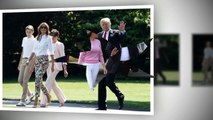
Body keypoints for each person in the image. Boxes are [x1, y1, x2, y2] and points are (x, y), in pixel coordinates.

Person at [97, 18, 152, 110]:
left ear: (110, 24)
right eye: (103, 24)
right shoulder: (99, 35)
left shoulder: (116, 33)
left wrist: (122, 30)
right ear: (101, 25)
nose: (105, 26)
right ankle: (102, 106)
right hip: (103, 61)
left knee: (109, 81)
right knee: (102, 83)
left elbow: (122, 36)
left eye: (107, 24)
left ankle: (120, 95)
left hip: (114, 60)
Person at [27, 22, 53, 108]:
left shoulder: (48, 38)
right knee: (38, 79)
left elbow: (51, 51)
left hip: (45, 60)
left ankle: (36, 100)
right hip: (37, 60)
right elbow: (34, 51)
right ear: (39, 29)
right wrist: (28, 60)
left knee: (37, 78)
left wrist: (52, 64)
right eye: (42, 28)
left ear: (47, 29)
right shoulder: (37, 38)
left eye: (45, 28)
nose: (43, 29)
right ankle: (48, 95)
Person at [40, 29, 68, 107]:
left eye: (54, 37)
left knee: (47, 83)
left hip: (56, 66)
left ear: (57, 37)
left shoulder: (60, 45)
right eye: (51, 37)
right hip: (48, 66)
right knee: (53, 84)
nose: (52, 39)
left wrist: (65, 69)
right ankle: (62, 100)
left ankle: (43, 102)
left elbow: (63, 57)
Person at [16, 25, 36, 107]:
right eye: (27, 31)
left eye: (30, 31)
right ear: (25, 32)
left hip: (30, 61)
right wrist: (20, 62)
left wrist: (32, 65)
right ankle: (30, 94)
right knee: (20, 80)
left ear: (33, 31)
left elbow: (34, 53)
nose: (28, 33)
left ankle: (23, 100)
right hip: (23, 60)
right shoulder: (24, 39)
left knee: (25, 81)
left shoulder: (35, 40)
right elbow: (23, 51)